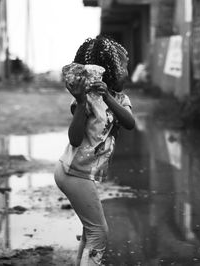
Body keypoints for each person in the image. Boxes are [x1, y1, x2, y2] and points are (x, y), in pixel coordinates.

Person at [54, 36, 135, 266]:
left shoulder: (119, 98)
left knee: (91, 232)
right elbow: (74, 138)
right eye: (124, 67)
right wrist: (80, 102)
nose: (127, 72)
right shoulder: (87, 99)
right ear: (110, 70)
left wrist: (108, 96)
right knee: (99, 233)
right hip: (73, 173)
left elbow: (129, 123)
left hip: (81, 174)